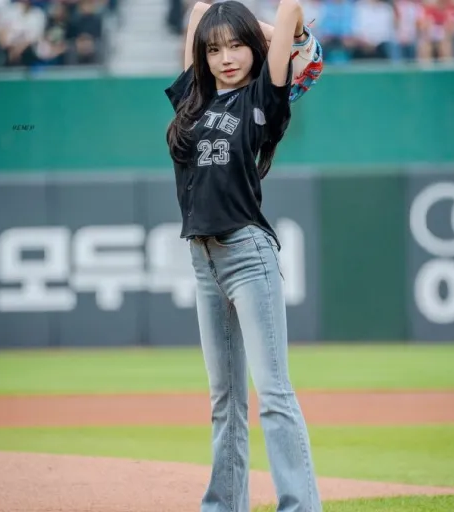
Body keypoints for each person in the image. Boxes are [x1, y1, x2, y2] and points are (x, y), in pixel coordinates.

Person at [164, 1, 323, 510]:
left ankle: (300, 506)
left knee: (273, 394)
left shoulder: (263, 97)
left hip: (247, 255)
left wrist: (260, 30)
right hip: (203, 260)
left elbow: (291, 8)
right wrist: (223, 23)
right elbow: (200, 9)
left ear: (254, 49)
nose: (226, 57)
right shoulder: (195, 98)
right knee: (224, 400)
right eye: (215, 49)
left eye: (236, 46)